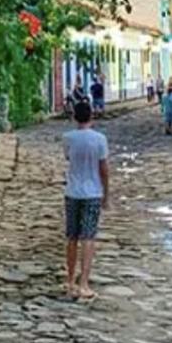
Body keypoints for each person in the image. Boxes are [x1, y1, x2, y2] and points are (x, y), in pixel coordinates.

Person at [62, 101, 109, 301]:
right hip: (92, 193)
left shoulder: (68, 138)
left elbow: (68, 158)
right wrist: (107, 194)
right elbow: (104, 169)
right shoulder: (99, 139)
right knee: (88, 237)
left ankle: (70, 281)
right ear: (92, 116)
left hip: (72, 192)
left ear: (74, 117)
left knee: (72, 237)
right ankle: (84, 283)